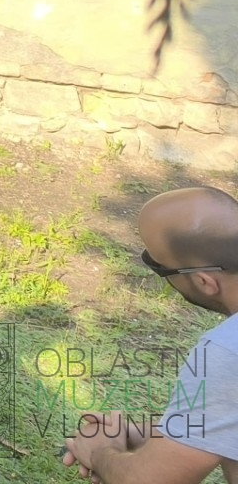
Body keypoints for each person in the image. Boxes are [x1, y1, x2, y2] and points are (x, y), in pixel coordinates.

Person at [63, 186, 238, 482]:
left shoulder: (227, 351)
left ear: (205, 282)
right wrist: (147, 436)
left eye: (159, 267)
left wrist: (100, 451)